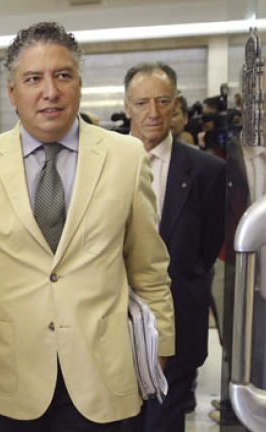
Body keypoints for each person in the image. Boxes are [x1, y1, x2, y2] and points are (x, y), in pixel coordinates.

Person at [0, 21, 175, 432]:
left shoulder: (125, 156)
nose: (50, 91)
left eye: (62, 75)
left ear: (79, 83)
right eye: (33, 79)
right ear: (13, 92)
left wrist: (160, 345)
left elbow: (149, 268)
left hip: (102, 373)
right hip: (13, 374)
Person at [122, 62, 225, 432]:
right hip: (113, 323)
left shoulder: (206, 171)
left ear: (176, 104)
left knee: (165, 423)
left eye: (163, 101)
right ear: (127, 107)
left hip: (179, 322)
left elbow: (207, 248)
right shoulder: (103, 163)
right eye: (142, 102)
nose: (153, 112)